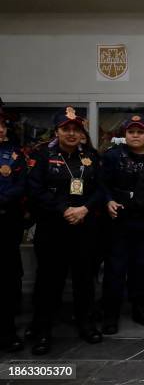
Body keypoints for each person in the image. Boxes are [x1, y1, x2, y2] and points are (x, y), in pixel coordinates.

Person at [27, 107, 103, 355]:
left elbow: (101, 189)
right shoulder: (42, 155)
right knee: (48, 282)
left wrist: (84, 209)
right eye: (66, 129)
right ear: (57, 131)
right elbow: (35, 189)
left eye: (76, 129)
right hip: (53, 228)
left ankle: (86, 324)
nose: (71, 133)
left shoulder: (90, 156)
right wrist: (63, 209)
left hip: (85, 227)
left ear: (82, 132)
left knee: (84, 280)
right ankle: (42, 332)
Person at [100, 115, 144, 335]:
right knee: (115, 270)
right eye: (131, 132)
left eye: (140, 132)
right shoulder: (112, 156)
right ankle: (110, 316)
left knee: (142, 269)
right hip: (119, 221)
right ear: (124, 135)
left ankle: (140, 310)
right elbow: (102, 184)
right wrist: (108, 200)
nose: (135, 136)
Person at [0, 112, 27, 352]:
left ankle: (7, 332)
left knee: (7, 279)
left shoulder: (16, 154)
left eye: (1, 126)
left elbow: (22, 184)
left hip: (6, 221)